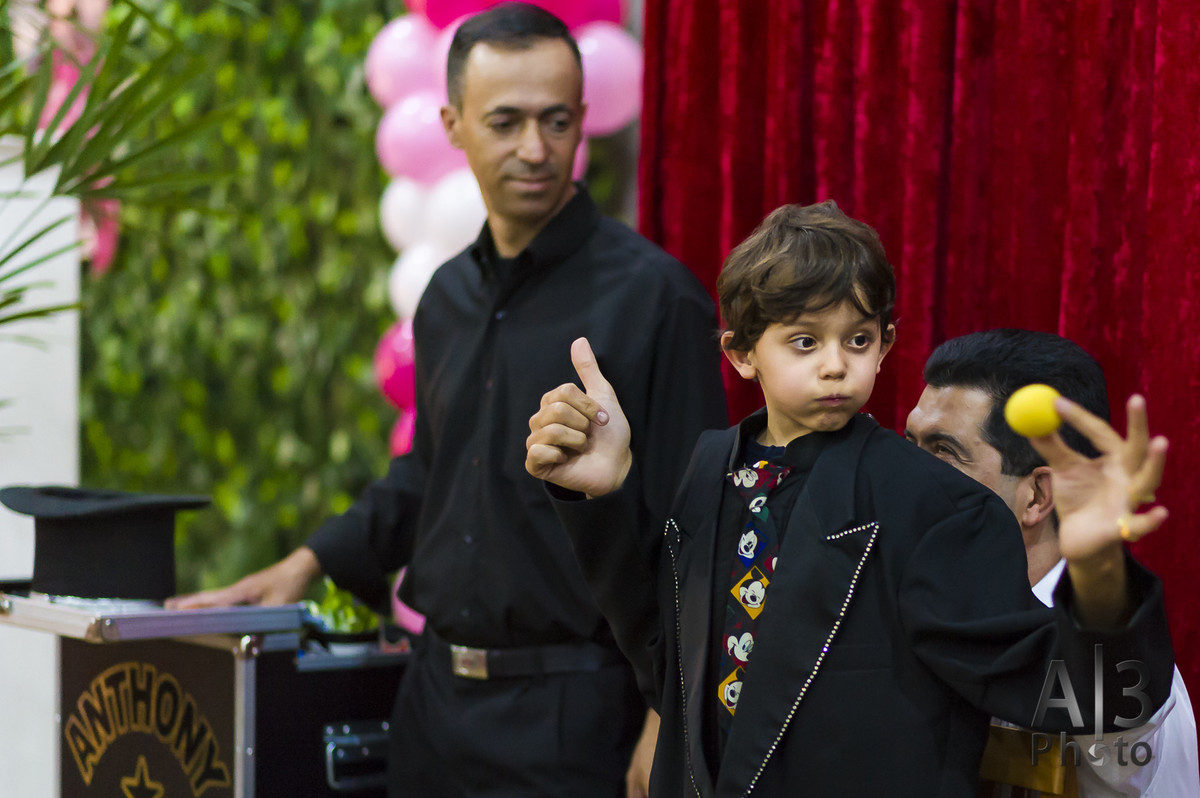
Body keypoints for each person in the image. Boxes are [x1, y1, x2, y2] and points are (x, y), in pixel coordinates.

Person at [168, 5, 728, 796]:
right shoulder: (445, 299)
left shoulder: (657, 300)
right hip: (432, 706)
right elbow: (428, 478)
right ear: (453, 124)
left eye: (556, 120)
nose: (535, 149)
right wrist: (305, 564)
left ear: (583, 122)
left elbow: (698, 531)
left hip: (577, 717)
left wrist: (666, 720)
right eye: (505, 122)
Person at [525, 201, 1176, 796]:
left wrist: (1098, 570)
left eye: (857, 339)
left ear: (886, 343)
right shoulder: (708, 467)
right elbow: (670, 670)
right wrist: (601, 500)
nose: (836, 364)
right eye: (806, 341)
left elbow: (1089, 698)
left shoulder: (936, 505)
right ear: (743, 353)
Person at [907, 328, 1198, 797]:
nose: (905, 479)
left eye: (944, 454)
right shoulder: (911, 607)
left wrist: (1101, 568)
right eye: (909, 446)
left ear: (1037, 495)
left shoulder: (1118, 665)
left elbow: (1118, 715)